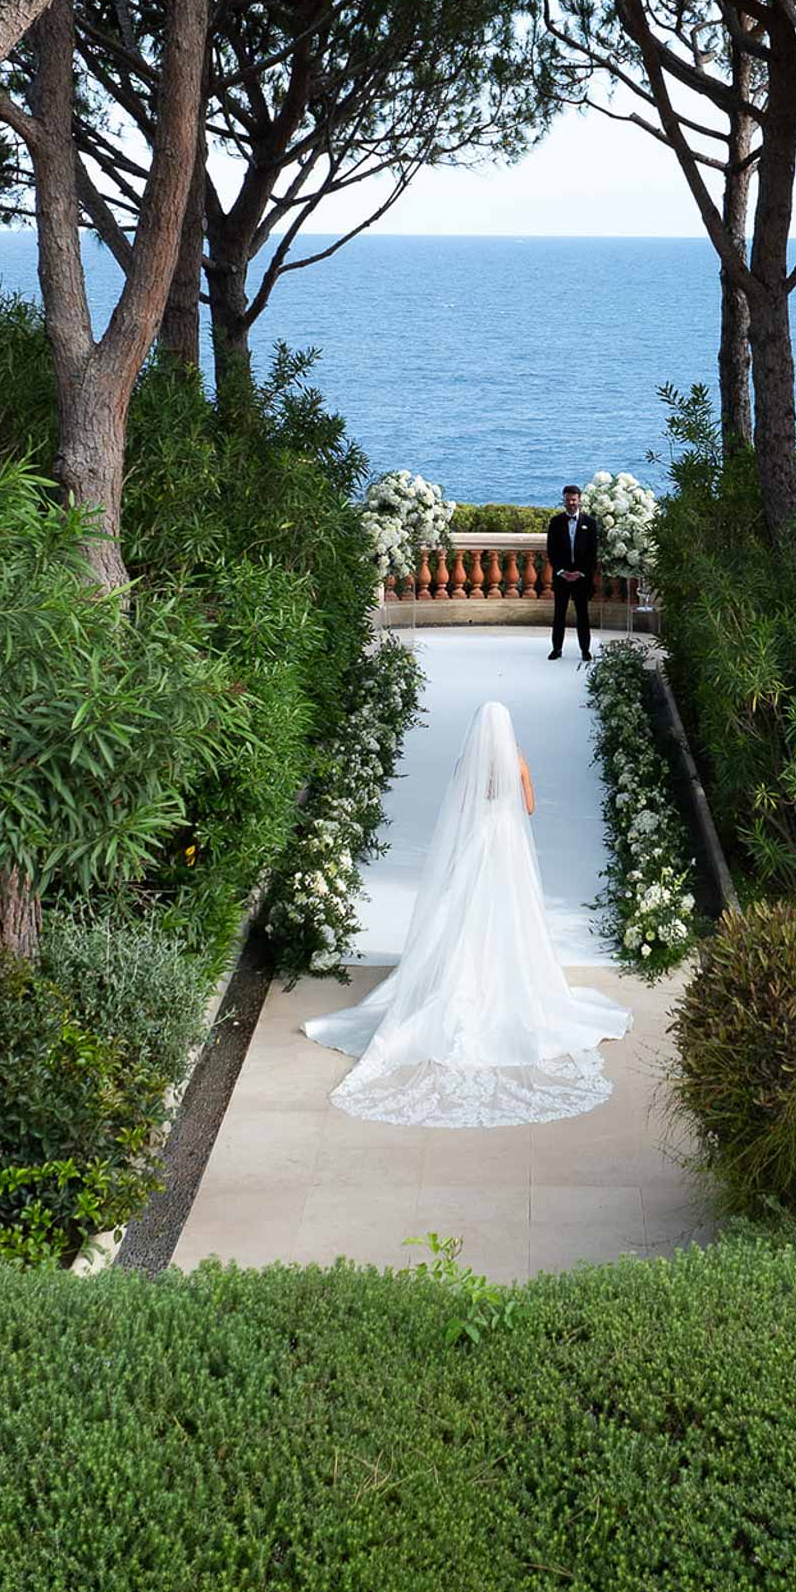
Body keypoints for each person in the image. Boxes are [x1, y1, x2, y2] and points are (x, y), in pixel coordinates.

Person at [302, 702, 631, 1127]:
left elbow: (457, 809)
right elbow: (529, 808)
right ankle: (510, 972)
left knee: (464, 908)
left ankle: (459, 972)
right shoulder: (518, 760)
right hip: (508, 842)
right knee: (511, 908)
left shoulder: (466, 761)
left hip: (477, 841)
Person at [546, 483, 598, 663]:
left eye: (573, 500)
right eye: (567, 500)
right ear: (563, 501)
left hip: (581, 578)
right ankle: (556, 649)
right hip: (561, 577)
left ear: (579, 501)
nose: (570, 503)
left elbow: (593, 553)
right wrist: (562, 571)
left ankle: (585, 650)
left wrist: (580, 573)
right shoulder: (555, 522)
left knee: (582, 615)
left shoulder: (590, 523)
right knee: (559, 614)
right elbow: (551, 551)